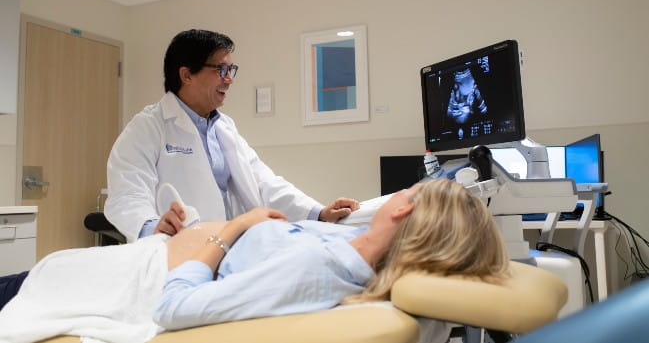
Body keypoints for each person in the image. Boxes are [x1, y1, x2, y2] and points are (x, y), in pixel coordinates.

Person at [0, 179, 509, 343]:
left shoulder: (321, 272)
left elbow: (175, 307)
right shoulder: (345, 249)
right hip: (132, 258)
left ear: (402, 208)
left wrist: (234, 229)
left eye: (407, 188)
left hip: (116, 282)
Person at [105, 29, 359, 242]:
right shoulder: (148, 127)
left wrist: (318, 212)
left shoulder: (224, 127)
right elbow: (127, 195)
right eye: (221, 70)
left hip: (231, 247)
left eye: (231, 69)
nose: (229, 80)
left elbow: (264, 182)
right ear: (186, 75)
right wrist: (152, 227)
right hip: (175, 250)